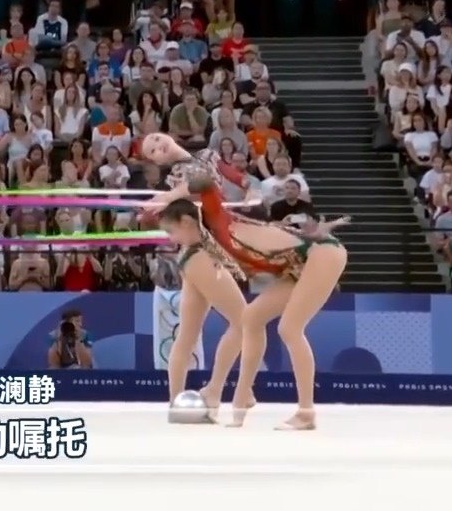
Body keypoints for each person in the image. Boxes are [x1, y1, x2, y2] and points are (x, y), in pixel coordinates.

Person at [142, 131, 348, 429]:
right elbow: (200, 191)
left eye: (157, 139)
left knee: (288, 328)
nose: (157, 147)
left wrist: (249, 189)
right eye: (151, 151)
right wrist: (167, 199)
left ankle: (304, 412)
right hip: (292, 262)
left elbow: (216, 182)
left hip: (317, 253)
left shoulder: (217, 210)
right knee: (249, 318)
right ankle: (236, 397)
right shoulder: (199, 213)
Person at [151, 193, 248, 421]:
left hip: (192, 258)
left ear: (186, 222)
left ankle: (176, 405)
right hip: (199, 258)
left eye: (171, 231)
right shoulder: (199, 238)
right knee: (244, 323)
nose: (171, 239)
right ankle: (214, 390)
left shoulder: (203, 227)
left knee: (187, 336)